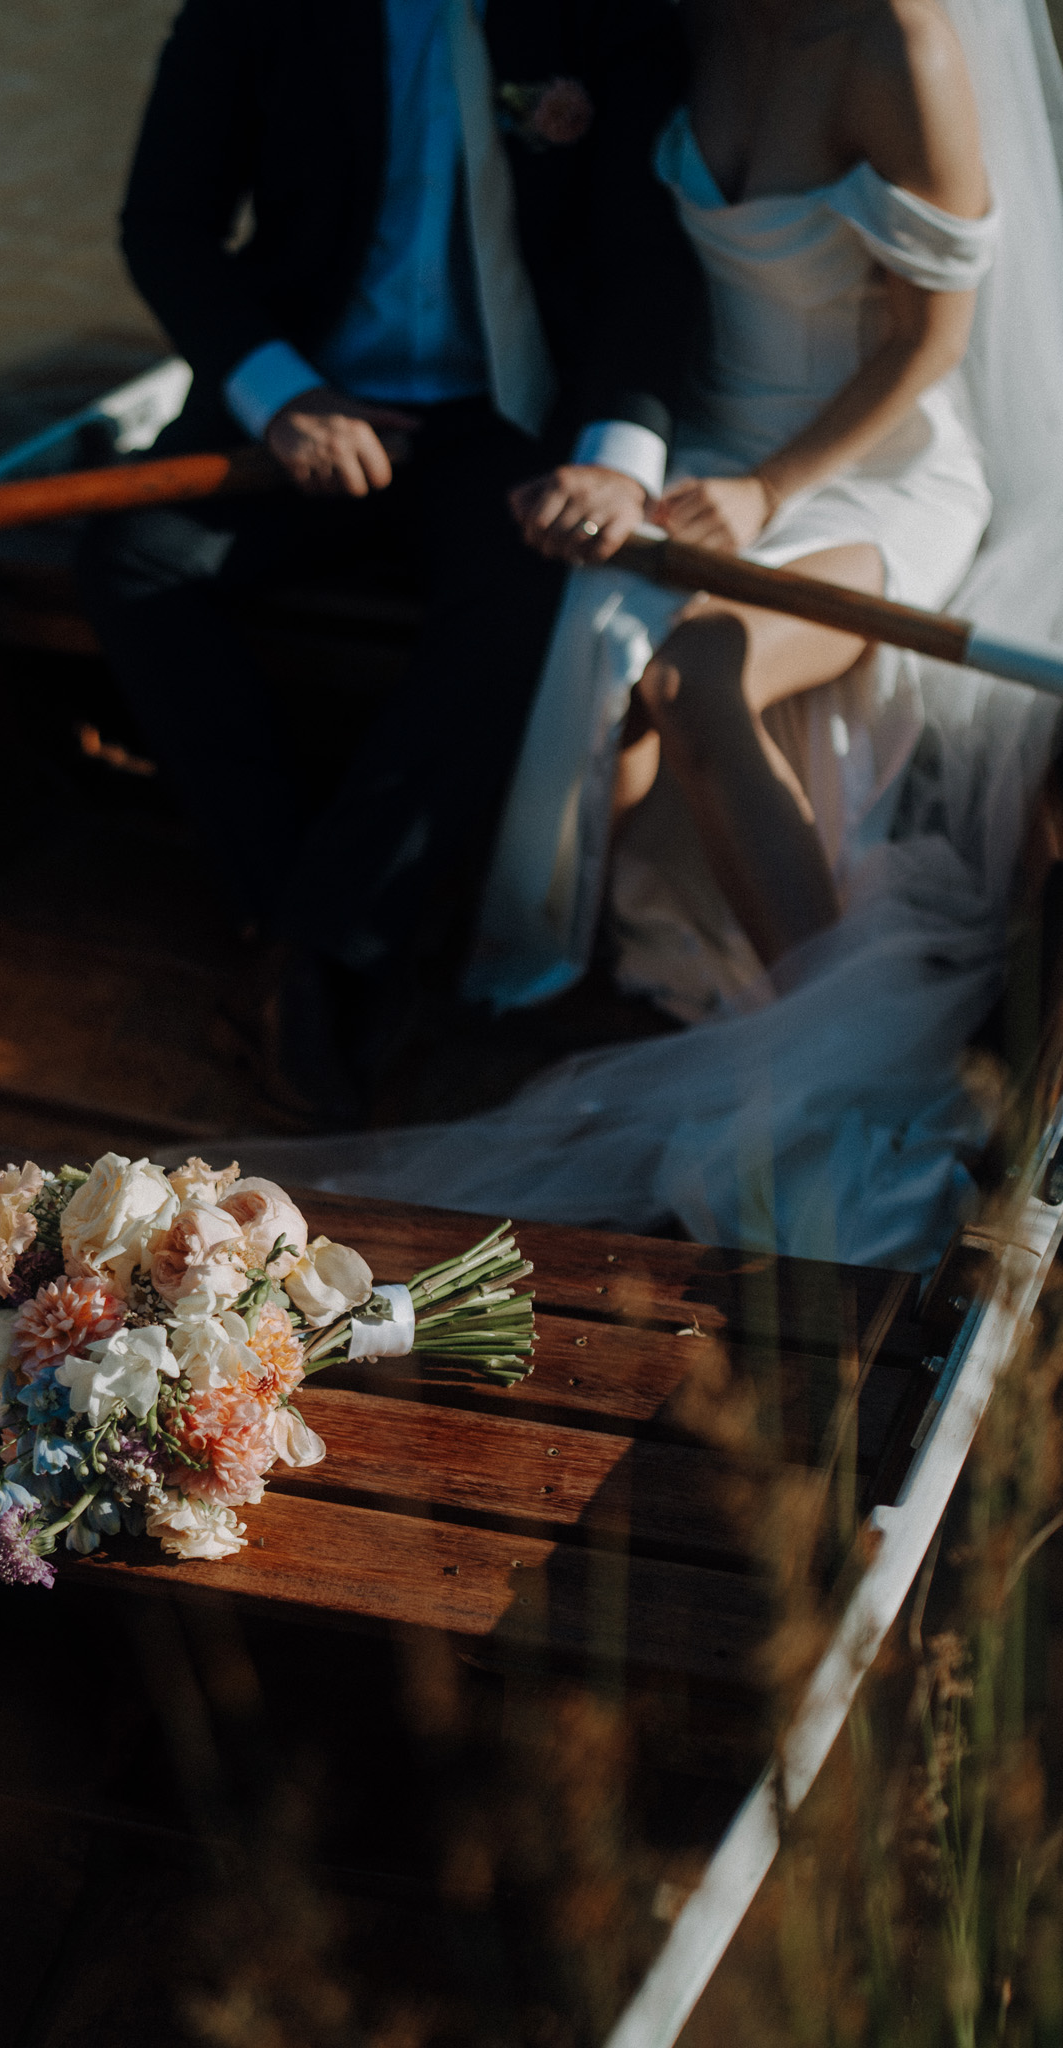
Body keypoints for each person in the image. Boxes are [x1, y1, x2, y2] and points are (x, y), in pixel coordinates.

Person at [240, 0, 1063, 1276]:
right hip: (702, 453)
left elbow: (930, 339)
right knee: (573, 631)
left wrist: (769, 494)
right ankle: (582, 962)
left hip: (868, 468)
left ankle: (830, 1056)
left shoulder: (895, 42)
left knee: (696, 672)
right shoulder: (686, 19)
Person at [76, 0, 706, 1124]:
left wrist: (616, 459)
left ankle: (305, 953)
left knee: (527, 590)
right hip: (312, 402)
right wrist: (282, 398)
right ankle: (310, 938)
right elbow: (161, 226)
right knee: (135, 562)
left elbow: (648, 254)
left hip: (505, 414)